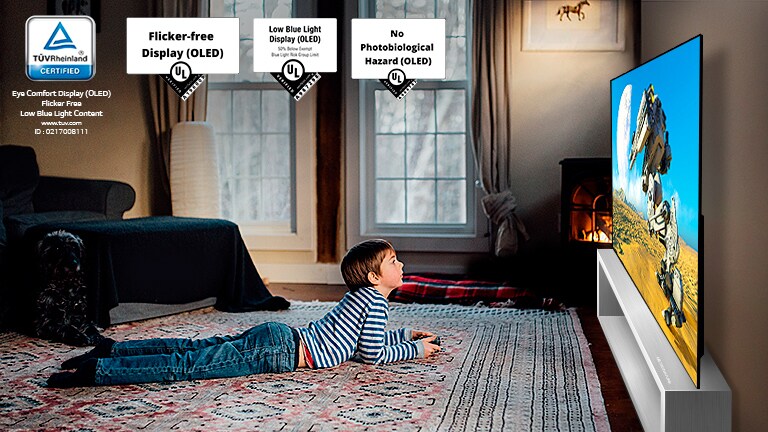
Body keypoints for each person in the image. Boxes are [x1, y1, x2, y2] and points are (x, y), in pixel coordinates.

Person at [47, 239, 441, 387]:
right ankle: (96, 372)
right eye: (394, 261)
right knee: (188, 366)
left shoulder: (363, 299)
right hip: (280, 353)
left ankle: (110, 351)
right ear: (375, 276)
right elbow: (371, 352)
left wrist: (405, 335)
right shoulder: (373, 301)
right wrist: (415, 352)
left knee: (192, 346)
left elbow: (361, 340)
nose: (401, 265)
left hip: (278, 337)